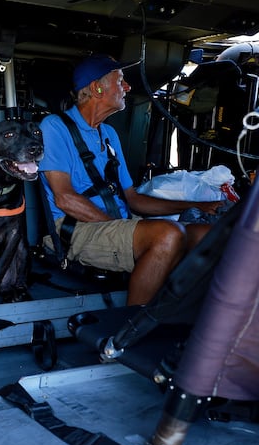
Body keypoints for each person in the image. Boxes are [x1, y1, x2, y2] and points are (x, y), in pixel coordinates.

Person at [39, 54, 223, 306]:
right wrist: (123, 228)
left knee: (208, 235)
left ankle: (189, 318)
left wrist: (195, 206)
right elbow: (65, 198)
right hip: (74, 228)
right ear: (97, 87)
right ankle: (131, 334)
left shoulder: (109, 134)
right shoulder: (54, 126)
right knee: (167, 235)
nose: (127, 88)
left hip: (115, 222)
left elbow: (133, 198)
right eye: (121, 81)